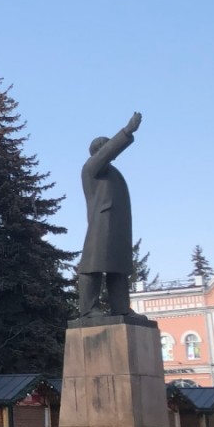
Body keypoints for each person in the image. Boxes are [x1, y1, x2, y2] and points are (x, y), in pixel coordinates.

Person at [77, 112, 141, 317]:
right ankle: (89, 309)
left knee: (118, 267)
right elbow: (106, 153)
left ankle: (121, 308)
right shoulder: (91, 167)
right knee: (93, 265)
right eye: (108, 147)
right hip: (101, 223)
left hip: (116, 225)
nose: (112, 152)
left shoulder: (112, 172)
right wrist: (126, 132)